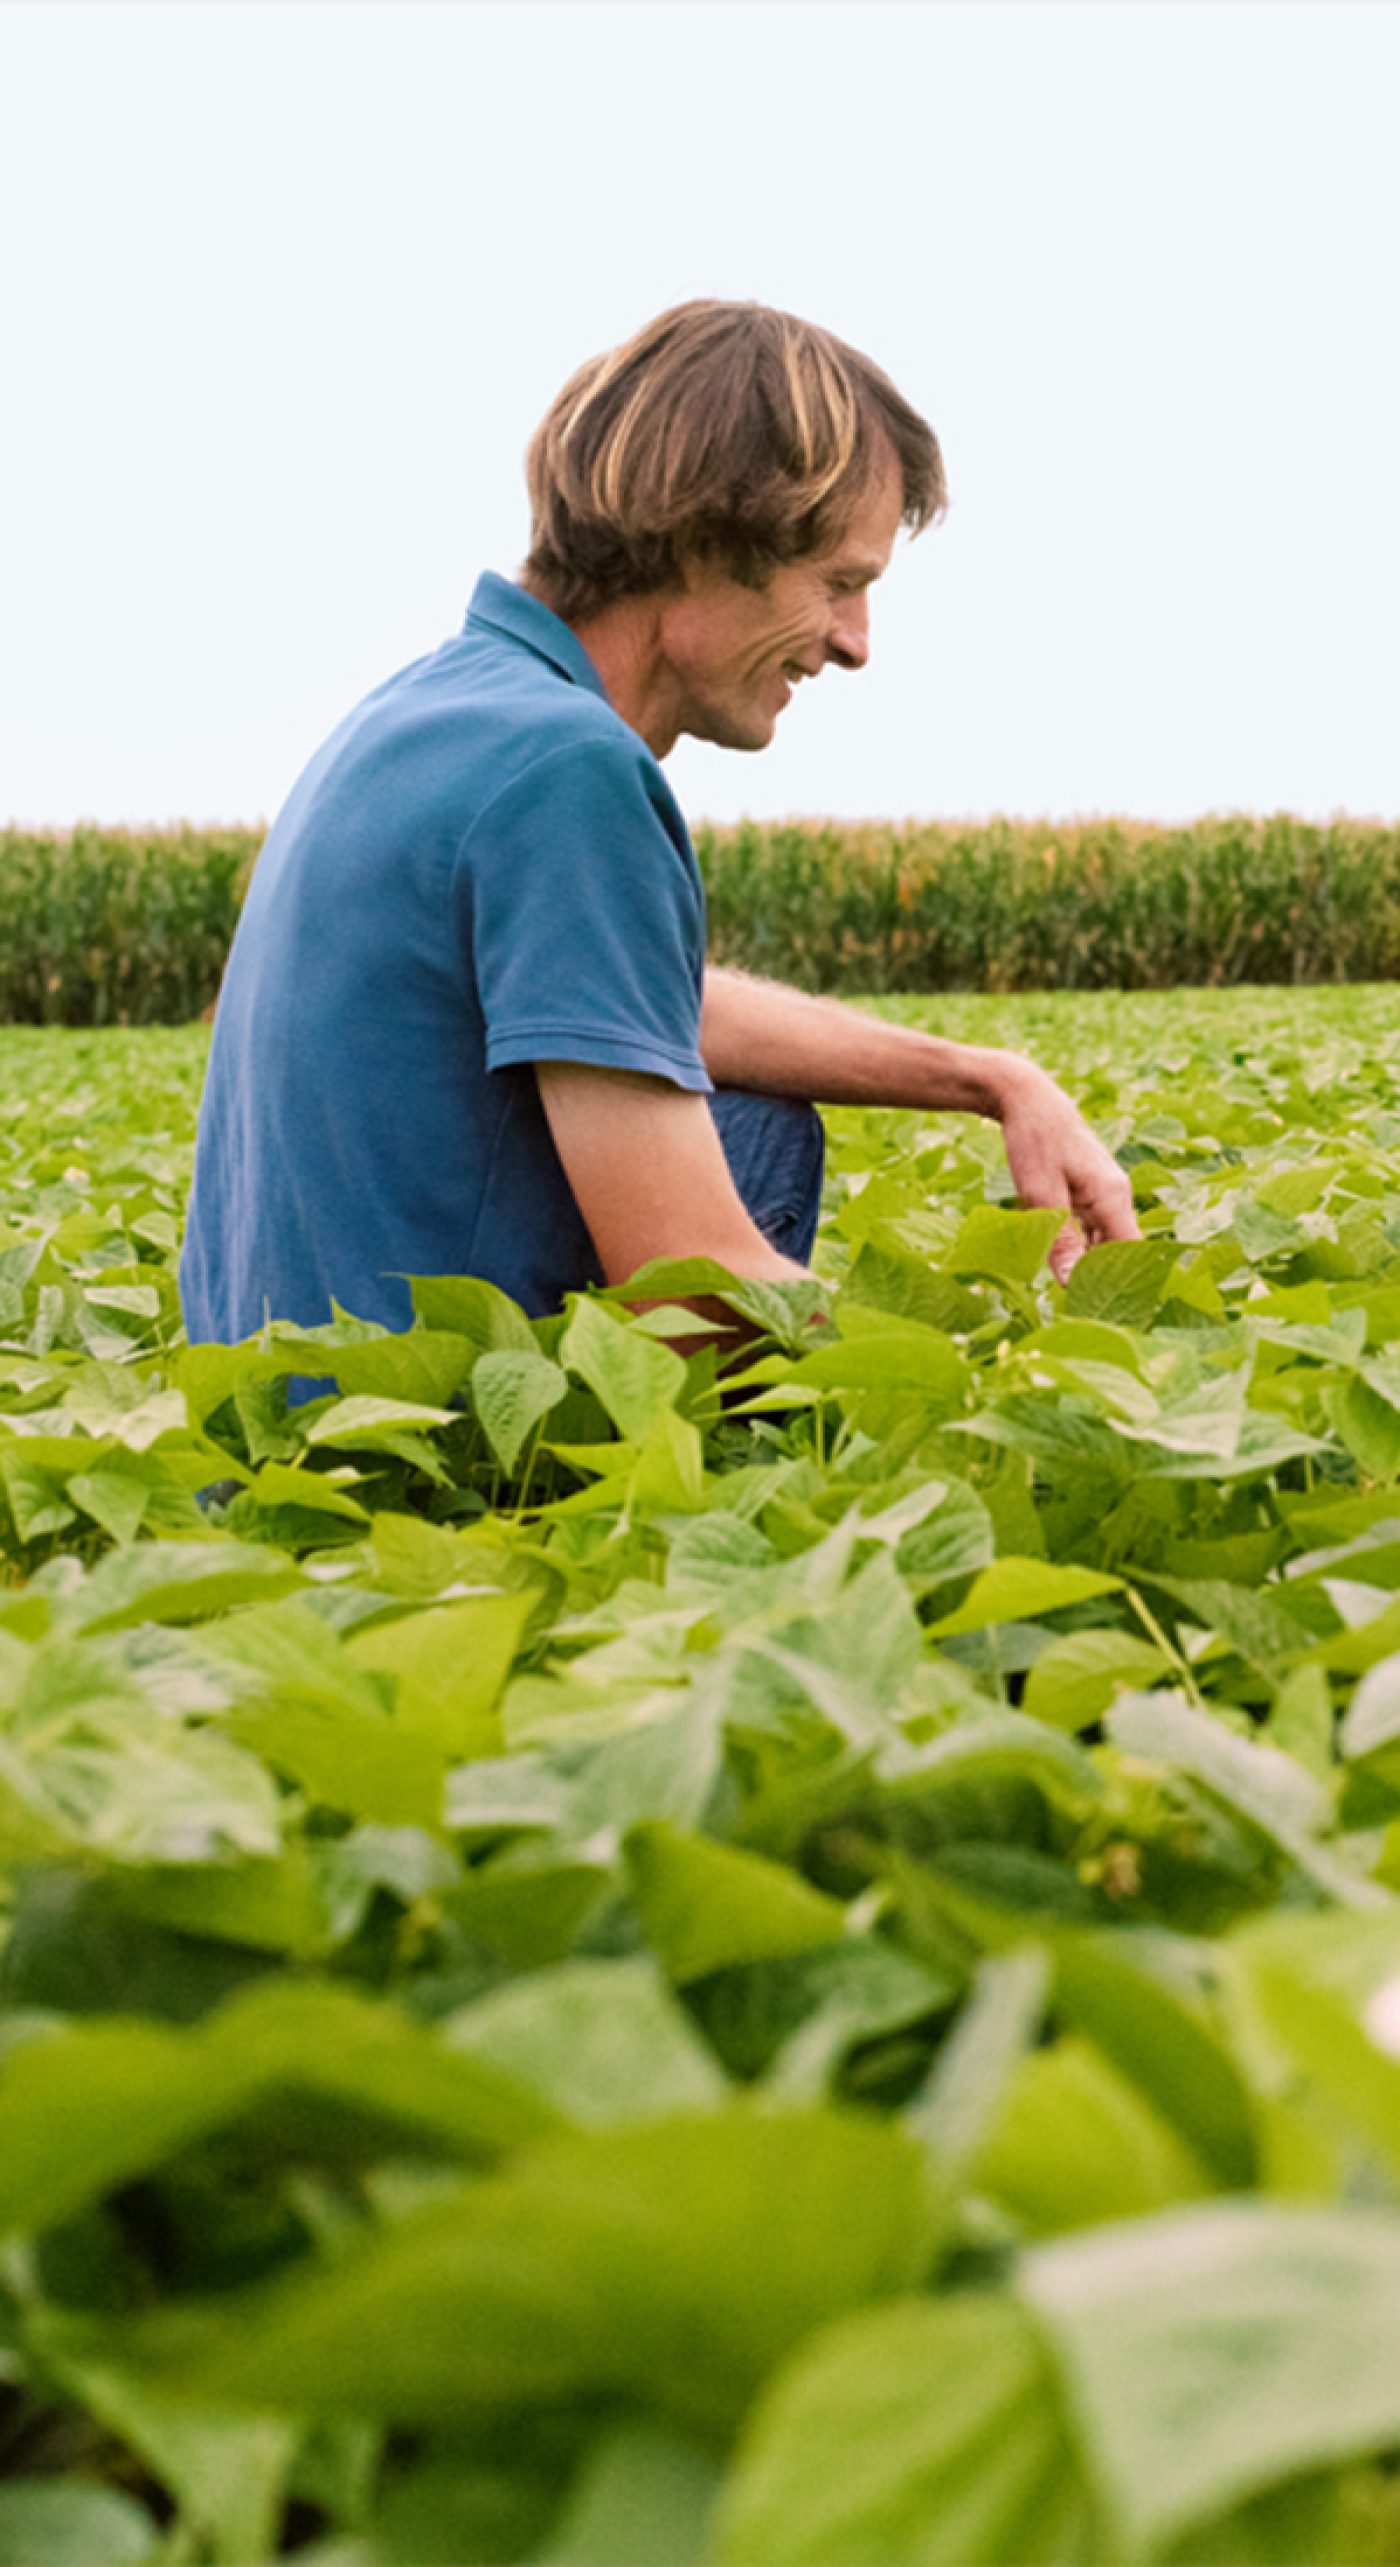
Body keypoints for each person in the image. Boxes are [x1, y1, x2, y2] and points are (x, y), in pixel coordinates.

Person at [179, 300, 1137, 1360]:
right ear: (705, 541)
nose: (855, 643)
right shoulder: (568, 771)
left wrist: (991, 1077)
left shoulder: (438, 715)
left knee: (755, 1119)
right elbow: (688, 1291)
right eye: (839, 582)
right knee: (753, 1177)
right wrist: (1013, 1360)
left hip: (274, 1427)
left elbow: (629, 998)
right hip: (409, 1467)